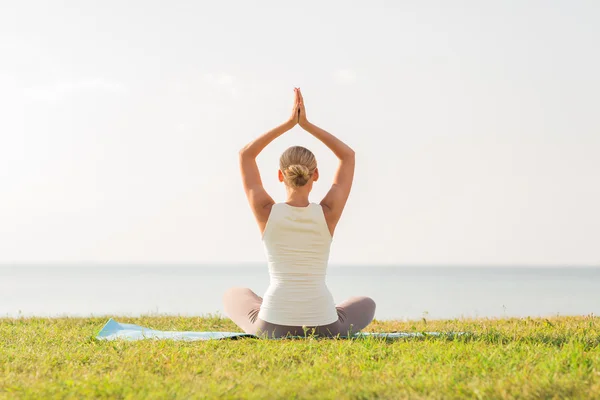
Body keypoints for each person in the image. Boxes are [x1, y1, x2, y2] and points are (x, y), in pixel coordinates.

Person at [223, 88, 376, 338]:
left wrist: (288, 124)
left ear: (280, 175)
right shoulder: (328, 213)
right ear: (315, 175)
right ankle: (318, 309)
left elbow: (246, 155)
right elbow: (347, 156)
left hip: (272, 326)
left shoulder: (265, 211)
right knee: (366, 302)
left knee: (234, 294)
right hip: (325, 325)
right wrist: (306, 125)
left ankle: (274, 306)